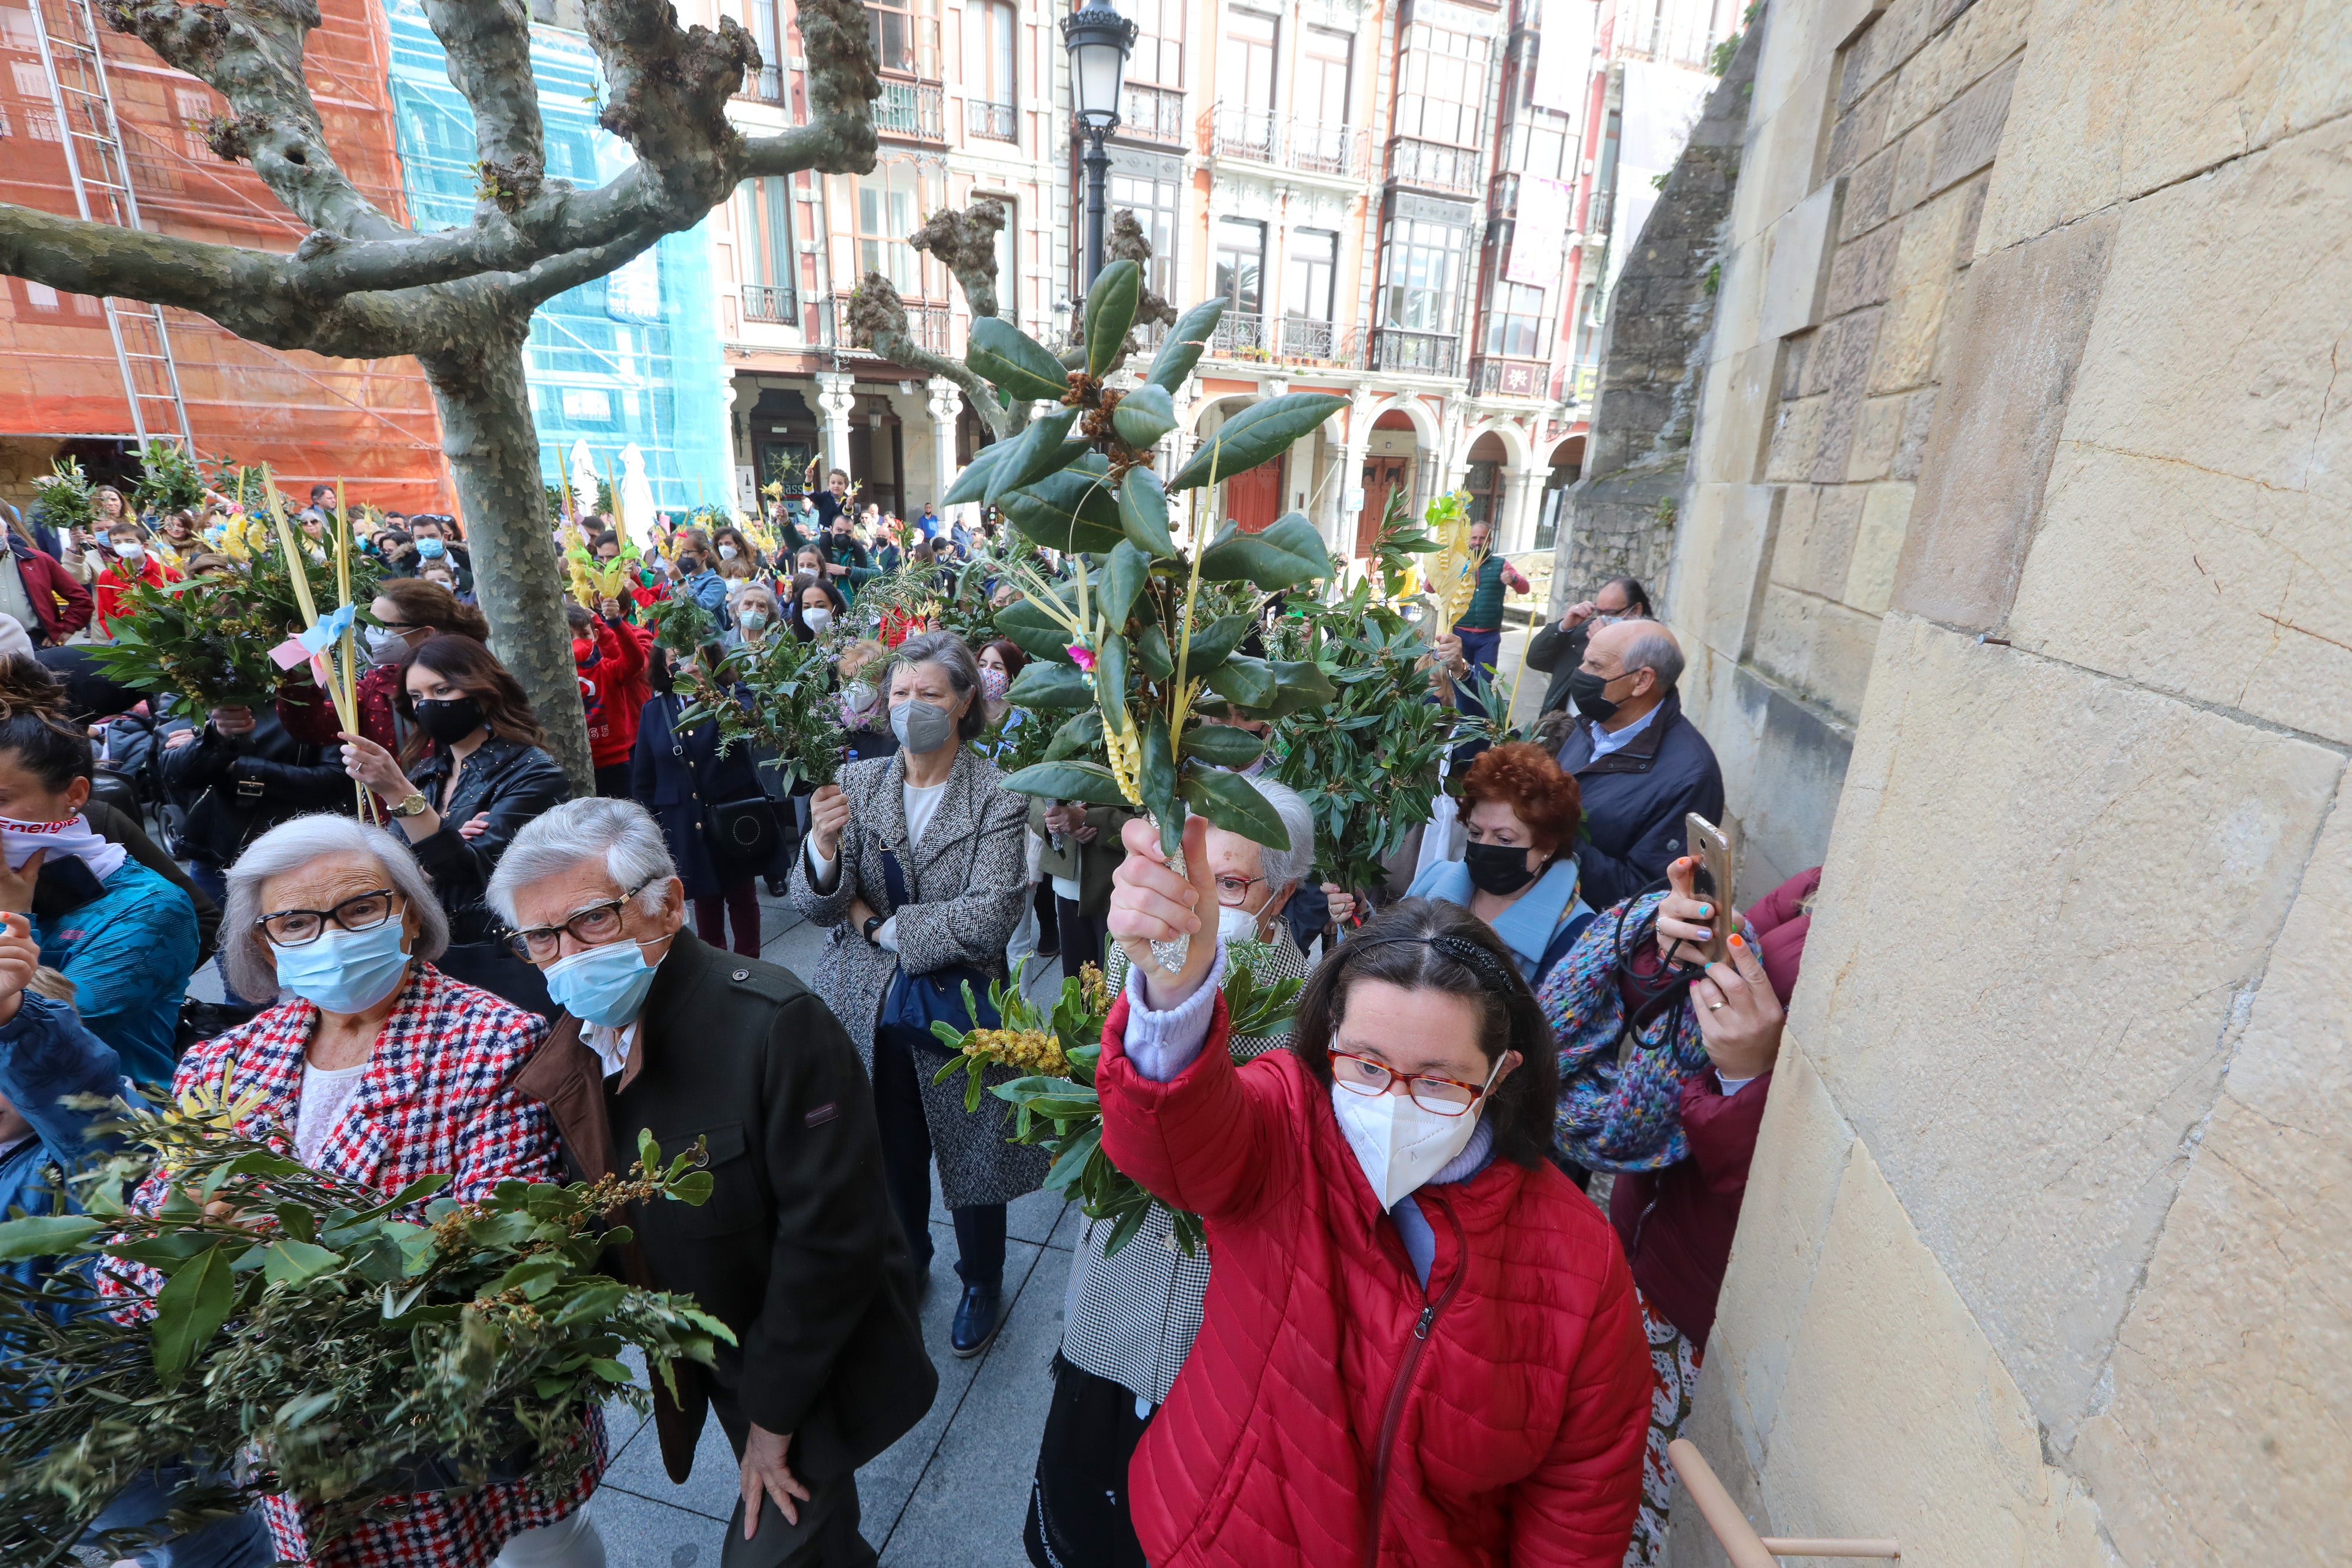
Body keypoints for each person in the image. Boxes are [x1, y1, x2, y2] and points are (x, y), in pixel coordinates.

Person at [1094, 823, 1652, 1565]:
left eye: (1437, 1080)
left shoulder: (1581, 1264)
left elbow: (1578, 1503)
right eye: (1365, 1065)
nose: (1392, 1103)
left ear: (1500, 1074)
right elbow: (1174, 1142)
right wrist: (1174, 990)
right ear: (1331, 1037)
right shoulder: (1287, 1125)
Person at [141, 814, 605, 1568]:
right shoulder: (220, 1066)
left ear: (410, 916)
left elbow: (495, 1252)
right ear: (265, 943)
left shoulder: (496, 1041)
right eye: (297, 921)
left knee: (534, 1549)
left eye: (360, 908)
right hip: (296, 1441)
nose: (330, 935)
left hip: (454, 1434)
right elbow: (134, 1270)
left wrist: (259, 1257)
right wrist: (187, 1235)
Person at [489, 798, 936, 1567]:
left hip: (813, 1356)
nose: (565, 956)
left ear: (666, 905)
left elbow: (833, 1240)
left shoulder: (775, 1022)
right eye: (540, 937)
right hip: (715, 1347)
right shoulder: (580, 1039)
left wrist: (772, 1418)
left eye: (591, 920)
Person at [1024, 781, 1311, 1568]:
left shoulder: (1304, 1014)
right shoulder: (1140, 950)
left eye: (1230, 884)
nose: (1203, 905)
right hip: (1116, 1273)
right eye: (1192, 878)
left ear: (1284, 895)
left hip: (1201, 1303)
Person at [1540, 860, 1807, 1566]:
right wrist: (1662, 940)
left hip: (1697, 1305)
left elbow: (1784, 1192)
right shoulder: (1819, 888)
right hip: (1643, 1250)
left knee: (1645, 1505)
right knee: (1597, 1467)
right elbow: (1718, 964)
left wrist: (1743, 1077)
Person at [788, 631, 1038, 1359]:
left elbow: (991, 913)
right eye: (899, 693)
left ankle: (981, 1278)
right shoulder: (857, 781)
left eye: (929, 693)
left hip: (959, 1006)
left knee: (974, 1152)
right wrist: (822, 850)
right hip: (865, 1005)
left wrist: (880, 927)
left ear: (964, 701)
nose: (911, 707)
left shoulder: (998, 791)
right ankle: (911, 1258)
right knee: (889, 1149)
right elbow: (820, 905)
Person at [335, 635, 571, 1011]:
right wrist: (439, 849)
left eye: (442, 690)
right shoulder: (427, 774)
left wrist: (399, 793)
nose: (428, 704)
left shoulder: (533, 774)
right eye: (416, 696)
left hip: (500, 958)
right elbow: (392, 872)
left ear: (484, 691)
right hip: (426, 957)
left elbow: (473, 873)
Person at [0, 658, 195, 1085]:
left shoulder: (149, 908)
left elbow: (45, 1048)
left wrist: (10, 918)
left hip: (108, 1121)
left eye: (1, 800)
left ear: (74, 794)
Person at [160, 699, 355, 1005]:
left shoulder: (318, 692)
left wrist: (237, 767)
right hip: (221, 855)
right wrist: (214, 739)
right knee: (246, 987)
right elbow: (174, 772)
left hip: (304, 857)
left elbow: (335, 779)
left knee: (326, 974)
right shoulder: (193, 687)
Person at [1553, 620, 1723, 908]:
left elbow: (1647, 895)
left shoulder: (1692, 778)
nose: (1580, 672)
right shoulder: (1593, 723)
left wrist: (1549, 834)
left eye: (1595, 666)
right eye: (1584, 661)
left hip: (1587, 926)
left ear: (1642, 681)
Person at [632, 648, 787, 958]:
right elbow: (644, 777)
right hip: (685, 820)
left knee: (742, 895)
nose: (687, 664)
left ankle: (750, 965)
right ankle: (715, 968)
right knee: (705, 898)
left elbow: (746, 724)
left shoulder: (733, 695)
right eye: (675, 657)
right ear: (664, 666)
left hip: (733, 816)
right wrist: (646, 829)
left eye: (697, 656)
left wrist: (711, 691)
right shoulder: (655, 710)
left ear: (713, 661)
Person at [278, 576, 491, 753]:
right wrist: (299, 673)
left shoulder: (474, 683)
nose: (369, 634)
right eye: (368, 623)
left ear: (426, 634)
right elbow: (313, 727)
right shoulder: (377, 685)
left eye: (380, 627)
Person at [1527, 576, 1651, 720]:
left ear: (1635, 611)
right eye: (1599, 612)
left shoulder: (1650, 646)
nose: (1602, 619)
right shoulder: (1585, 629)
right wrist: (1564, 627)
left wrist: (1604, 646)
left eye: (1611, 613)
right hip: (1561, 725)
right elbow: (1536, 660)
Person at [570, 599, 650, 800]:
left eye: (584, 635)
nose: (577, 642)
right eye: (569, 637)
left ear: (595, 636)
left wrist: (614, 624)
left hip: (615, 763)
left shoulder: (608, 669)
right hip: (573, 764)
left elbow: (635, 660)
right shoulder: (555, 680)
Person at [1448, 519, 1530, 703]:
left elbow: (1525, 588)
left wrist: (1513, 580)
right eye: (1474, 538)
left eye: (1482, 538)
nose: (1478, 542)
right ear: (1468, 540)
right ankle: (1459, 716)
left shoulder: (1501, 564)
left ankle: (1479, 715)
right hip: (1460, 634)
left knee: (1484, 683)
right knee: (1457, 680)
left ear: (1490, 540)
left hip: (1488, 637)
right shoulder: (1458, 564)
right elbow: (1430, 587)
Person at [4, 517, 92, 647]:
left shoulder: (37, 560)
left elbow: (80, 598)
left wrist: (67, 628)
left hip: (36, 641)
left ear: (6, 532)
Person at [91, 518, 179, 638]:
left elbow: (177, 608)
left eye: (130, 541)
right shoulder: (108, 576)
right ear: (112, 546)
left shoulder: (168, 574)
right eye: (117, 542)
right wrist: (121, 637)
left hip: (162, 635)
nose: (123, 546)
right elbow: (106, 614)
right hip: (127, 636)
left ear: (144, 546)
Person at [833, 640, 897, 765]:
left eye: (865, 679)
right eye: (849, 678)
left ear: (882, 682)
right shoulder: (827, 720)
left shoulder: (893, 727)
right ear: (839, 679)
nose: (855, 687)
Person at [973, 638, 1024, 752]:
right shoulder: (964, 717)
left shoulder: (1023, 724)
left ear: (1013, 675)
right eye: (982, 665)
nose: (986, 672)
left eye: (997, 668)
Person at [407, 514, 474, 594]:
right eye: (421, 538)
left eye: (432, 536)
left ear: (445, 537)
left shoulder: (470, 564)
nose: (427, 542)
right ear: (414, 540)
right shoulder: (404, 567)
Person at [788, 574, 836, 643]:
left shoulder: (848, 646)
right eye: (807, 607)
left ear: (835, 609)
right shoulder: (796, 646)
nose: (812, 612)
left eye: (820, 606)